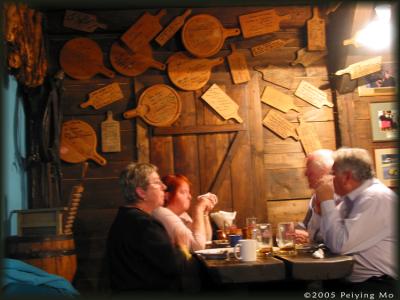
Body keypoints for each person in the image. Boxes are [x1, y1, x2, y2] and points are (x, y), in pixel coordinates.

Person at [316, 148, 397, 290]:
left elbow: (339, 245)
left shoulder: (375, 198)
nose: (329, 180)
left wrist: (327, 202)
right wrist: (323, 209)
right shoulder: (352, 199)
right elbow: (326, 238)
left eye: (333, 174)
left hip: (377, 284)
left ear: (346, 177)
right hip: (351, 281)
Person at [106, 162, 194, 294]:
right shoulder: (144, 225)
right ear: (141, 192)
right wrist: (182, 247)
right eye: (157, 182)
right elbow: (177, 267)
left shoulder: (126, 217)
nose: (164, 187)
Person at [152, 174, 217, 251]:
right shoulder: (161, 213)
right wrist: (198, 209)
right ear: (167, 196)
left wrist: (204, 213)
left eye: (189, 192)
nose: (189, 197)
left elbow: (205, 240)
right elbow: (197, 247)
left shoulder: (183, 215)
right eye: (183, 192)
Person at [295, 149, 335, 244]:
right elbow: (305, 225)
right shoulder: (315, 196)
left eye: (309, 171)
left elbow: (340, 240)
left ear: (325, 172)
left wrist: (310, 238)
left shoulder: (343, 198)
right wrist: (294, 231)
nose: (304, 174)